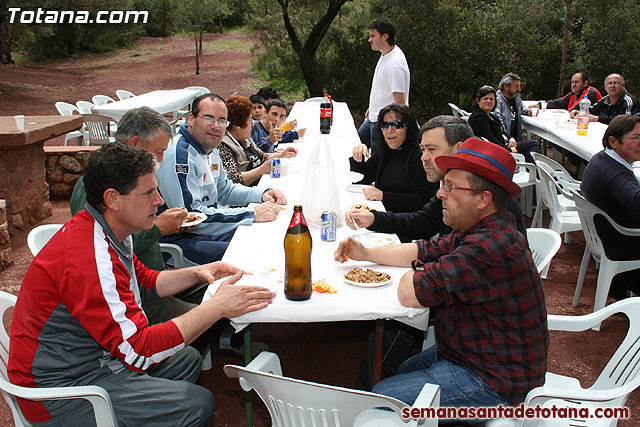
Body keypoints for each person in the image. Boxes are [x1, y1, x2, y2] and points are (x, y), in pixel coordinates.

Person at [8, 142, 275, 426]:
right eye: (148, 192)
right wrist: (216, 308)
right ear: (113, 199)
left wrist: (199, 272)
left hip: (93, 361)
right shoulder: (89, 255)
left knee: (186, 359)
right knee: (196, 404)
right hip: (60, 393)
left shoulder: (107, 228)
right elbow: (141, 350)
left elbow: (144, 281)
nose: (159, 200)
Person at [336, 138, 548, 416]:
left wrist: (421, 270)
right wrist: (366, 253)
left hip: (494, 380)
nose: (440, 194)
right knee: (397, 372)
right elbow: (422, 249)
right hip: (465, 352)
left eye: (450, 186)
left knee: (380, 399)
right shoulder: (479, 228)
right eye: (442, 185)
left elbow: (408, 293)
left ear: (483, 199)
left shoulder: (490, 246)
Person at [156, 93, 286, 265]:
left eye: (222, 120)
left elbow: (225, 190)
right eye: (208, 118)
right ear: (191, 119)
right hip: (181, 243)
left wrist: (262, 193)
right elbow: (192, 218)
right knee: (252, 253)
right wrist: (251, 214)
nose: (216, 126)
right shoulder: (180, 156)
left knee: (267, 236)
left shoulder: (209, 147)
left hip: (206, 231)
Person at [349, 103, 438, 238]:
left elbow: (422, 200)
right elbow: (364, 177)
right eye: (385, 125)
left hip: (407, 227)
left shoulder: (420, 157)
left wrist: (383, 196)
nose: (390, 130)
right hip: (383, 218)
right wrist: (358, 156)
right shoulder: (385, 149)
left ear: (408, 127)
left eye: (396, 125)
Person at [581, 114, 640, 299]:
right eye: (636, 138)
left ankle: (618, 288)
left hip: (604, 236)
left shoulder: (602, 159)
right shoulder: (615, 173)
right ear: (614, 141)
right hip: (622, 245)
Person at [220, 94, 297, 186]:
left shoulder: (245, 139)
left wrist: (281, 155)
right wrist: (260, 170)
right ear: (238, 125)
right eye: (249, 121)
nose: (252, 125)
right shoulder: (224, 145)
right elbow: (232, 180)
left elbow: (262, 156)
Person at [358, 18, 410, 153]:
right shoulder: (386, 55)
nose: (370, 39)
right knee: (355, 147)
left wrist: (391, 128)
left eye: (373, 35)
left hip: (382, 124)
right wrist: (373, 107)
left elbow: (399, 102)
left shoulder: (394, 64)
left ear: (385, 36)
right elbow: (383, 89)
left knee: (378, 160)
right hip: (373, 118)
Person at [494, 72, 542, 163]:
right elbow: (497, 120)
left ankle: (529, 169)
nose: (519, 89)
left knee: (531, 147)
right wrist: (508, 139)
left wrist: (529, 111)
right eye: (516, 86)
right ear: (506, 87)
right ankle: (531, 172)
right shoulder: (497, 99)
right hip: (505, 142)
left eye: (519, 86)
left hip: (516, 139)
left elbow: (522, 109)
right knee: (533, 144)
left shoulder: (516, 97)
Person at [570, 73, 640, 124]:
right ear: (605, 87)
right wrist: (580, 112)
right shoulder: (605, 100)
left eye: (616, 83)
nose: (612, 86)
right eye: (609, 83)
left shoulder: (628, 101)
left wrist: (598, 119)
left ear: (623, 85)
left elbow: (624, 122)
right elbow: (593, 110)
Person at [468, 85, 518, 153]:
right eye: (485, 98)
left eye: (491, 99)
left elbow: (502, 131)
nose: (489, 101)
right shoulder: (479, 117)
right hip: (496, 152)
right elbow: (490, 140)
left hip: (505, 145)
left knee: (530, 145)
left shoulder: (491, 116)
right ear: (478, 101)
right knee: (531, 145)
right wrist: (509, 150)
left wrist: (510, 138)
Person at [535, 71, 602, 112]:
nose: (574, 85)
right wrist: (541, 105)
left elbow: (576, 108)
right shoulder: (573, 94)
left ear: (585, 83)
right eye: (572, 82)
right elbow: (560, 103)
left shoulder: (591, 92)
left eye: (577, 82)